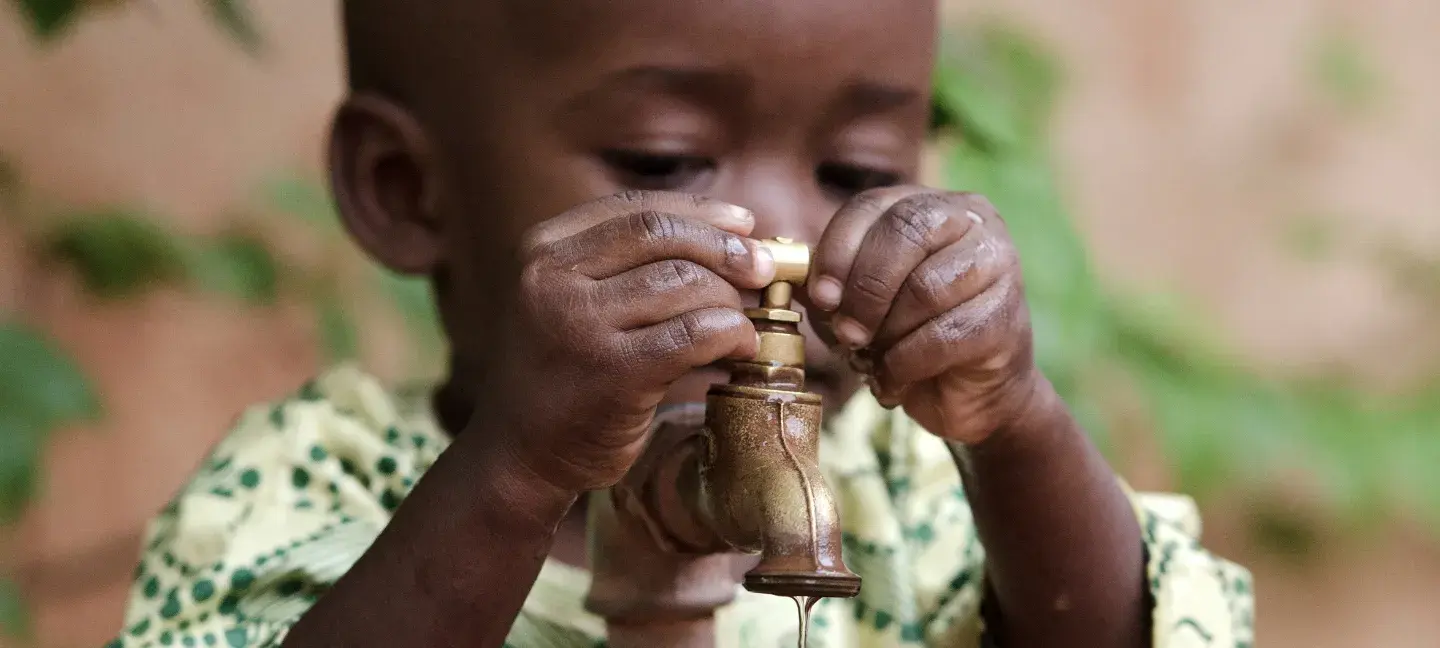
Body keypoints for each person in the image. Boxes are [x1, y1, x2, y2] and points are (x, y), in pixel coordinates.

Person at [107, 0, 1253, 646]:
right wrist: (514, 477)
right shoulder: (313, 491)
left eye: (854, 169)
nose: (775, 241)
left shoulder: (914, 490)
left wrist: (1012, 424)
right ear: (409, 189)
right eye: (661, 159)